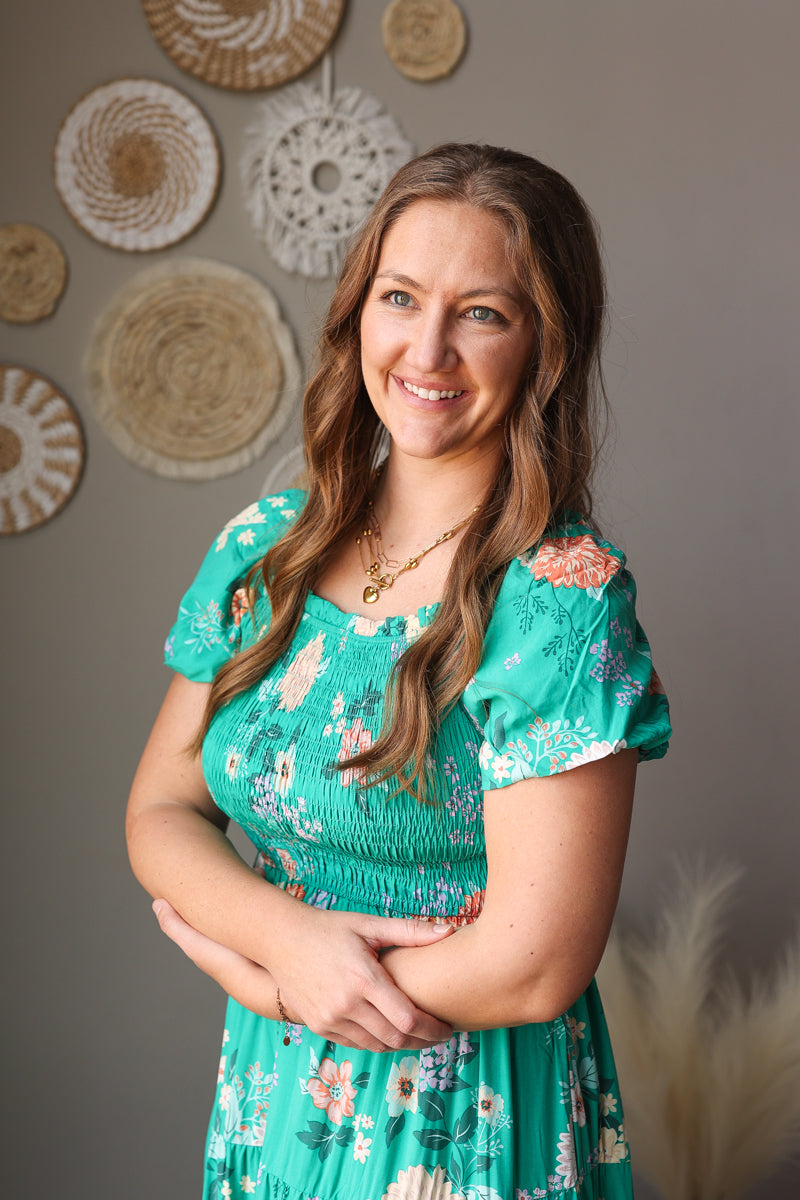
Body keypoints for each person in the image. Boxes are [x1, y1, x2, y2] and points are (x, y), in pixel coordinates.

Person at [127, 142, 671, 1200]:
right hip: (271, 1100)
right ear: (356, 313)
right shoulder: (266, 547)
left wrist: (279, 986)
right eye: (400, 296)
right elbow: (159, 810)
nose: (427, 349)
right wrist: (283, 944)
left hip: (455, 1115)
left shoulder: (559, 599)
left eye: (482, 313)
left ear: (544, 348)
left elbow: (533, 964)